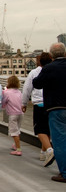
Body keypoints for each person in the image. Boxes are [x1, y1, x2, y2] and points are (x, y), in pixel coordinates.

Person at [33, 42, 66, 183]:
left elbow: (37, 83)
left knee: (59, 141)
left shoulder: (49, 68)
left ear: (51, 55)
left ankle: (64, 173)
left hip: (56, 108)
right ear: (65, 53)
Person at [22, 52, 54, 165]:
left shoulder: (34, 72)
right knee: (48, 129)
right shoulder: (54, 70)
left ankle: (50, 150)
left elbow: (27, 89)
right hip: (52, 104)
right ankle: (43, 152)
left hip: (39, 104)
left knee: (40, 130)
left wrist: (24, 103)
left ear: (38, 62)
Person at [2, 76, 24, 156]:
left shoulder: (7, 92)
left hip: (12, 114)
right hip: (21, 113)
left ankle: (18, 149)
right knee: (17, 129)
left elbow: (3, 103)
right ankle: (15, 145)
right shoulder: (19, 92)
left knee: (13, 132)